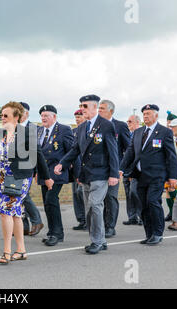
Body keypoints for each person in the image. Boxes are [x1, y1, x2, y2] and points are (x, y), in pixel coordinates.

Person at [55, 95, 119, 255]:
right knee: (89, 208)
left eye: (84, 106)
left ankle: (96, 241)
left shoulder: (106, 126)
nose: (82, 109)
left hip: (101, 173)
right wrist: (62, 163)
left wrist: (113, 174)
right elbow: (75, 149)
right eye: (81, 106)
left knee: (95, 205)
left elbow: (113, 151)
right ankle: (100, 240)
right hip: (86, 174)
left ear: (94, 107)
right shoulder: (83, 127)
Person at [0, 102, 52, 264]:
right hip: (3, 177)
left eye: (6, 115)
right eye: (1, 115)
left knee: (5, 212)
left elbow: (38, 155)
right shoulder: (0, 133)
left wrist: (46, 177)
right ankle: (21, 250)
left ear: (16, 117)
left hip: (19, 177)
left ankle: (6, 251)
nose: (3, 118)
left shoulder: (26, 133)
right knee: (16, 214)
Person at [120, 104, 177, 246]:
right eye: (144, 114)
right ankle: (149, 233)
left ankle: (158, 233)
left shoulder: (164, 132)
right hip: (140, 175)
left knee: (153, 201)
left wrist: (173, 177)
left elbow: (171, 156)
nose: (146, 116)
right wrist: (121, 168)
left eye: (148, 113)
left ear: (156, 116)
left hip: (157, 175)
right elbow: (130, 152)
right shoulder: (139, 132)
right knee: (143, 205)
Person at [38, 105, 75, 246]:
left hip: (56, 172)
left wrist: (65, 166)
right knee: (47, 203)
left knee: (51, 200)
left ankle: (57, 234)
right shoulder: (39, 130)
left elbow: (71, 150)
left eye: (46, 115)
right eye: (42, 115)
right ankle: (51, 232)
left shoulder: (64, 129)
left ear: (54, 116)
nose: (43, 118)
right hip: (44, 172)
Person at [98, 100, 130, 238]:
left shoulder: (120, 126)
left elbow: (128, 149)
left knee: (111, 197)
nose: (99, 111)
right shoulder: (95, 125)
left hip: (114, 169)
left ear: (111, 111)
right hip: (98, 169)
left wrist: (121, 168)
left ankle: (110, 226)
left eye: (102, 108)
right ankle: (100, 225)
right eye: (98, 108)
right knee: (99, 199)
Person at [19, 102, 45, 236]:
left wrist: (37, 171)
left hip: (28, 168)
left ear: (26, 113)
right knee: (18, 196)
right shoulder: (13, 127)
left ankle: (37, 221)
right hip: (14, 169)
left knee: (23, 196)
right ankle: (23, 226)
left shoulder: (34, 129)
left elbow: (37, 152)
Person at [123, 115, 143, 226]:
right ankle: (132, 216)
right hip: (126, 168)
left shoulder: (141, 133)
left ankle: (141, 216)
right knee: (128, 193)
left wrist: (131, 171)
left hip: (135, 170)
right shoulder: (129, 134)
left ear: (137, 122)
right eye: (127, 121)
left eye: (130, 121)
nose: (128, 123)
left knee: (135, 192)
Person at [71, 109, 85, 231]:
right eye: (76, 118)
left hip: (85, 168)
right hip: (75, 167)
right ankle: (81, 220)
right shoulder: (73, 132)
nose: (77, 119)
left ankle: (87, 219)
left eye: (79, 117)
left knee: (82, 193)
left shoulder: (87, 130)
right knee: (76, 194)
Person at [164, 111, 177, 221]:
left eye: (170, 122)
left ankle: (175, 212)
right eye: (168, 122)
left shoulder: (175, 135)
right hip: (165, 165)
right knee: (168, 191)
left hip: (174, 166)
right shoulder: (165, 133)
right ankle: (171, 212)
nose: (168, 124)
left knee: (172, 189)